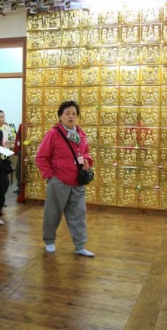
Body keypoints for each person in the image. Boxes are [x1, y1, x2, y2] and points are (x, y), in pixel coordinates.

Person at [36, 100, 94, 257]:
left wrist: (87, 161)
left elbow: (86, 153)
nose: (71, 116)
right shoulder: (53, 134)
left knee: (79, 214)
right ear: (60, 116)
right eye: (67, 113)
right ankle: (49, 241)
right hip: (59, 180)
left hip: (77, 181)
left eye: (74, 114)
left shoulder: (81, 134)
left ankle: (80, 245)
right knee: (52, 213)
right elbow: (41, 157)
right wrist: (51, 176)